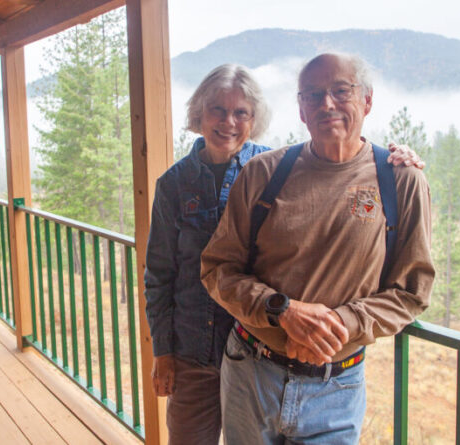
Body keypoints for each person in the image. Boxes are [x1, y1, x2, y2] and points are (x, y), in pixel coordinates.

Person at [144, 63, 424, 444]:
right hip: (204, 351)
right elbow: (161, 274)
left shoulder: (267, 168)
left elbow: (336, 168)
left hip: (276, 353)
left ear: (254, 119)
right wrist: (163, 352)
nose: (228, 121)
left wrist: (394, 160)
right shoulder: (181, 183)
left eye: (241, 112)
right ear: (199, 113)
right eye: (218, 110)